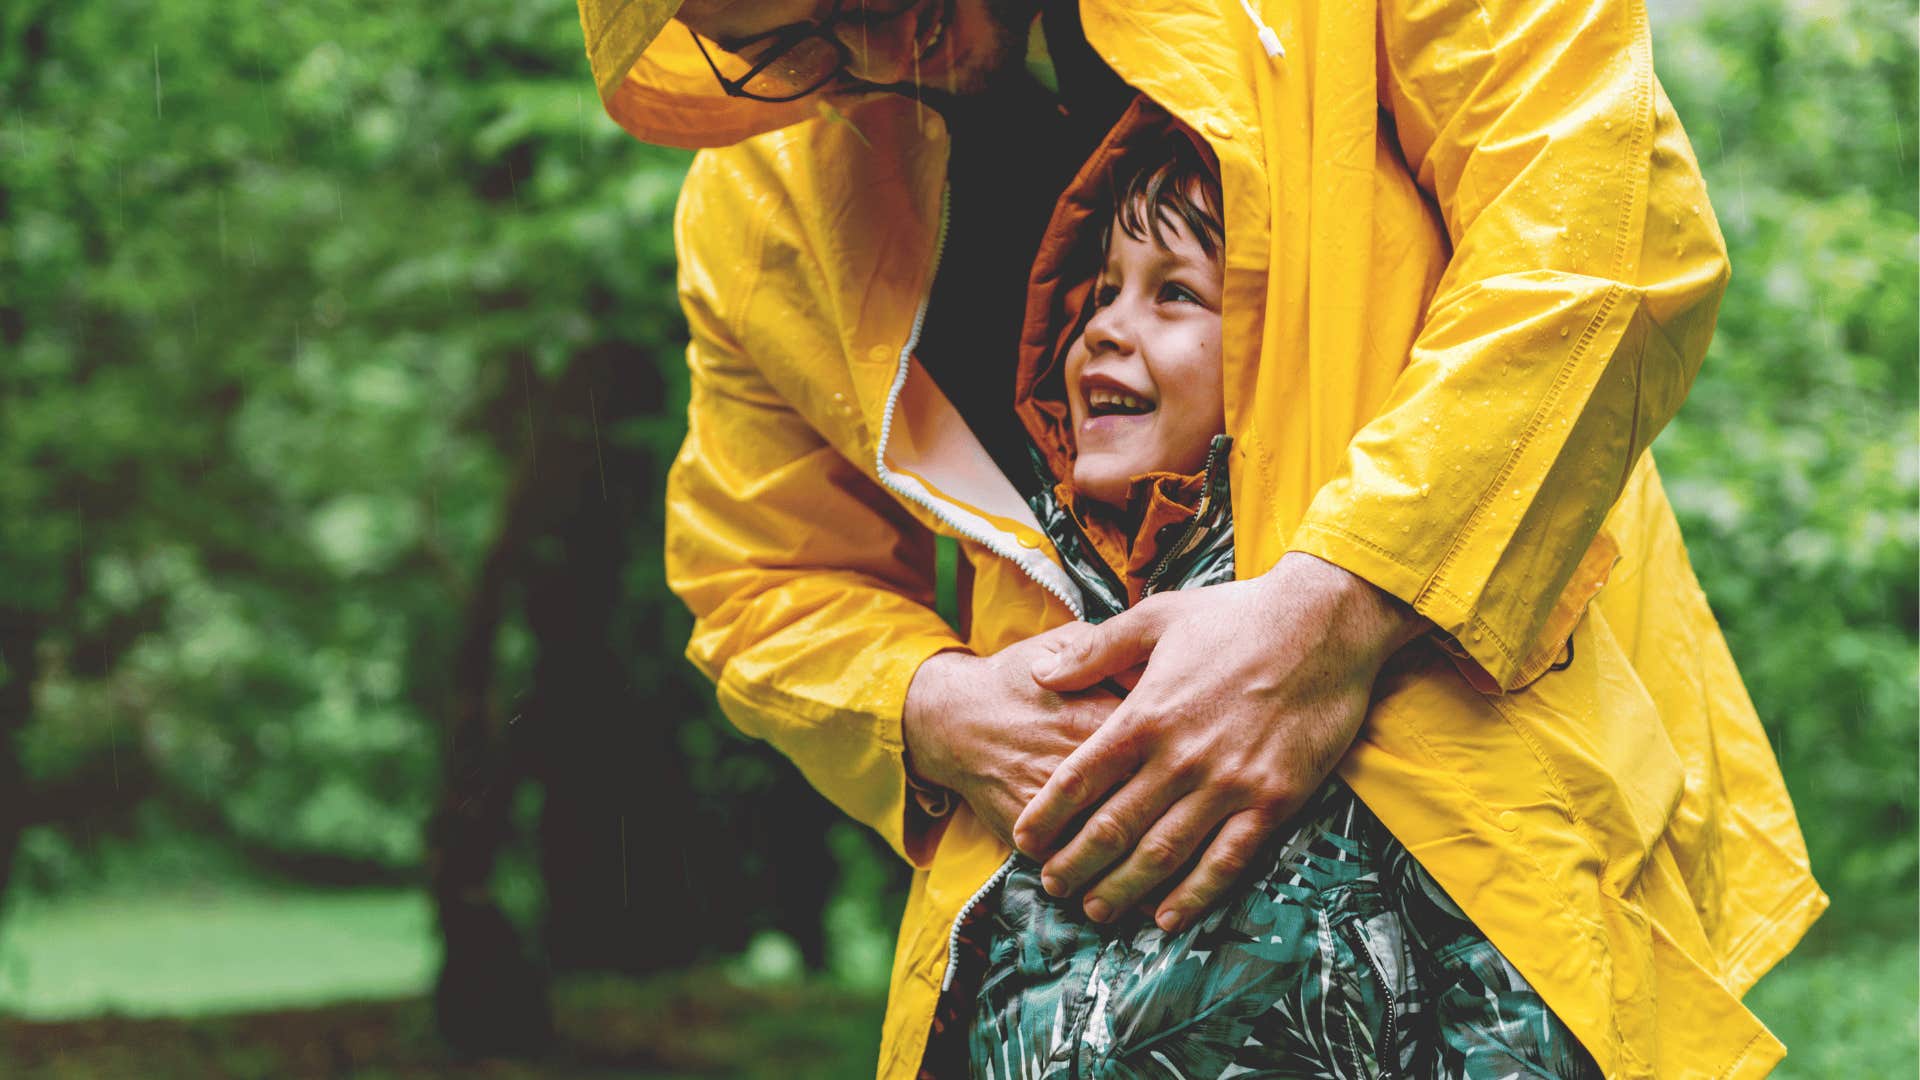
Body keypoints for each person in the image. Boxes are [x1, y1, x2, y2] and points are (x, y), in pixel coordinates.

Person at [573, 1, 1826, 1076]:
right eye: (777, 44)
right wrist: (932, 708)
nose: (871, 45)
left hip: (1489, 871)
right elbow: (765, 578)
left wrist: (1339, 609)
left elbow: (1600, 230)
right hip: (1061, 960)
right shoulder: (763, 215)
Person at [946, 101, 1601, 1078]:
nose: (1106, 331)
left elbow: (1518, 984)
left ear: (1274, 352)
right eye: (1102, 292)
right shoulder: (1046, 627)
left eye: (1174, 295)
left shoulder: (1379, 655)